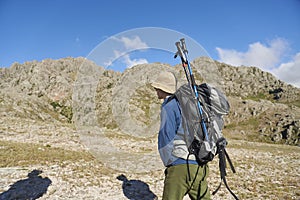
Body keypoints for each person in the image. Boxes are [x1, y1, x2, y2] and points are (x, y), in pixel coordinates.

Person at [151, 71, 210, 200]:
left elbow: (166, 137)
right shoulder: (187, 104)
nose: (155, 91)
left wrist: (170, 163)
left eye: (157, 88)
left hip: (180, 166)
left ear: (162, 89)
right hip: (199, 165)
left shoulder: (169, 106)